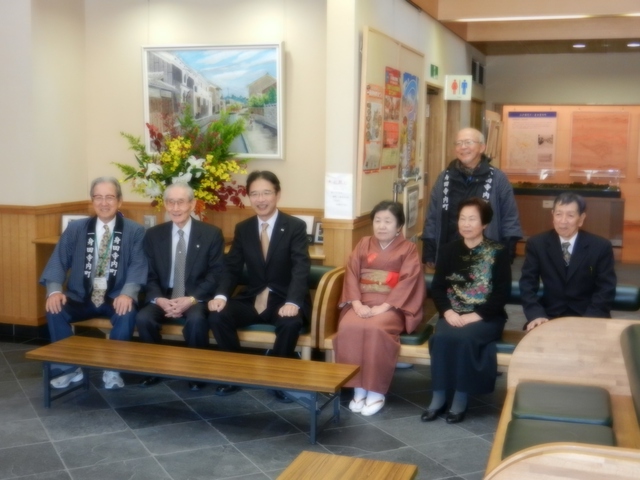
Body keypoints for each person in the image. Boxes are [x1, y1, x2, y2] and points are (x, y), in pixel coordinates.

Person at [208, 170, 310, 402]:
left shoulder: (295, 226)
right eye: (255, 194)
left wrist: (293, 302)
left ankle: (278, 378)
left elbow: (300, 268)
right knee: (217, 315)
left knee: (290, 322)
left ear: (277, 195)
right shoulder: (244, 228)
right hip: (253, 298)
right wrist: (221, 296)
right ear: (248, 197)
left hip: (283, 299)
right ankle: (236, 374)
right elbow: (232, 267)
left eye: (266, 193)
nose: (260, 199)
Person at [39, 176, 147, 389]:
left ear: (120, 201)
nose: (104, 203)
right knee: (54, 308)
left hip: (115, 296)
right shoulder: (76, 228)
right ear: (92, 201)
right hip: (80, 295)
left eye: (109, 197)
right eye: (98, 197)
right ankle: (69, 368)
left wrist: (128, 293)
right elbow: (59, 260)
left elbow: (138, 264)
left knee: (127, 311)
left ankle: (113, 369)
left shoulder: (134, 231)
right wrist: (53, 291)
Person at [422, 198, 511, 424]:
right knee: (440, 338)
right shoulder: (449, 250)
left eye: (472, 219)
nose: (466, 223)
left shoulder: (498, 252)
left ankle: (460, 398)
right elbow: (439, 287)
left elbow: (502, 293)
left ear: (484, 224)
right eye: (462, 218)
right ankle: (439, 397)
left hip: (486, 316)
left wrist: (475, 315)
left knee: (465, 339)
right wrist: (449, 313)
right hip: (452, 313)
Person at [333, 201, 425, 416]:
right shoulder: (363, 243)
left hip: (392, 305)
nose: (382, 226)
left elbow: (408, 280)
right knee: (349, 327)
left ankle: (375, 391)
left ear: (399, 226)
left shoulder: (408, 248)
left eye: (388, 221)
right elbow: (352, 274)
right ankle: (358, 387)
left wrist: (384, 307)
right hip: (361, 301)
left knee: (376, 329)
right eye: (377, 220)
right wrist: (356, 303)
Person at [136, 182, 225, 391]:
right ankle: (154, 370)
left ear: (192, 204)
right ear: (165, 205)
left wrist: (191, 299)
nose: (175, 208)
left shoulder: (211, 234)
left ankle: (196, 373)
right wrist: (159, 299)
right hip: (164, 295)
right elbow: (148, 274)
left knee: (196, 320)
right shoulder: (153, 235)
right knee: (143, 318)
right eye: (170, 202)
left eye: (181, 202)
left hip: (195, 296)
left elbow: (216, 274)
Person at [421, 127, 522, 268]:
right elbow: (432, 216)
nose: (463, 147)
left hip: (486, 256)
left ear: (482, 147)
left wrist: (507, 254)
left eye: (468, 142)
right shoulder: (444, 178)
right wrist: (430, 252)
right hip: (449, 252)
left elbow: (510, 218)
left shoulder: (498, 178)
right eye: (459, 143)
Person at [519, 192, 616, 332]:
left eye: (570, 215)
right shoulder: (537, 244)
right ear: (552, 215)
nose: (563, 221)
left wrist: (590, 320)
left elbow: (606, 288)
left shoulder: (600, 246)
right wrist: (536, 314)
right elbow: (527, 284)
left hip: (588, 316)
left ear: (581, 218)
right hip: (549, 316)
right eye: (558, 214)